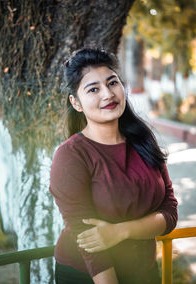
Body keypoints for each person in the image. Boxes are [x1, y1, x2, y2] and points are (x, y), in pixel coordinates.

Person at [49, 47, 178, 284]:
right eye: (93, 89)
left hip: (144, 270)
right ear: (76, 103)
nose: (107, 94)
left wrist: (120, 231)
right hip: (88, 275)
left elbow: (169, 211)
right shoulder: (71, 156)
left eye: (112, 83)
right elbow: (89, 242)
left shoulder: (143, 139)